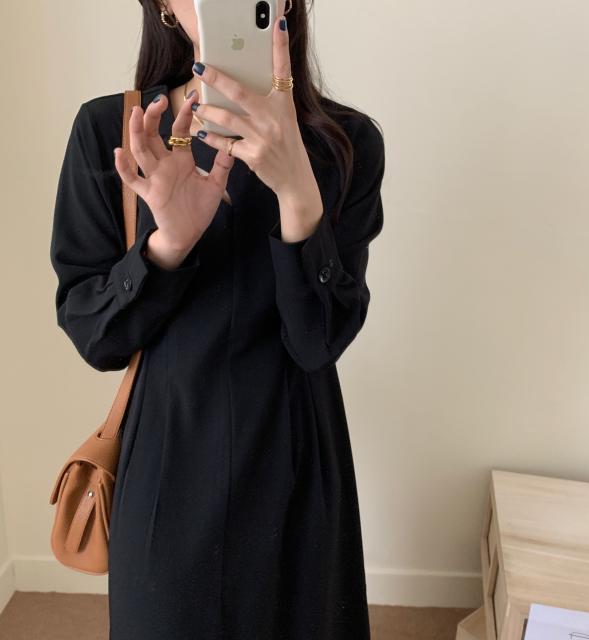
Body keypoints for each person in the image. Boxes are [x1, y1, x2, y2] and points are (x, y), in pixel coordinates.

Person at [49, 0, 385, 637]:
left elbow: (317, 342)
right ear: (164, 8)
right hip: (167, 463)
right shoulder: (115, 130)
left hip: (296, 455)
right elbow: (95, 336)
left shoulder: (346, 143)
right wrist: (166, 246)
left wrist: (297, 191)